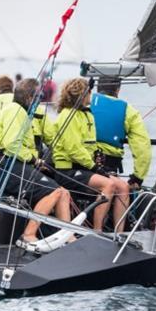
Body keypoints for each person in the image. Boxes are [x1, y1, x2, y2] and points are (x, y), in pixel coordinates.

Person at [0, 78, 71, 250]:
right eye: (38, 97)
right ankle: (28, 236)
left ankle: (68, 236)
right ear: (29, 98)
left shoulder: (20, 111)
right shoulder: (16, 111)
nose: (40, 101)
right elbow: (12, 145)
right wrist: (34, 160)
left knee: (63, 193)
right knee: (54, 191)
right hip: (6, 165)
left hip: (16, 164)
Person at [50, 78, 130, 232]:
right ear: (82, 94)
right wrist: (94, 167)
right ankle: (97, 230)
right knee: (109, 185)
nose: (91, 96)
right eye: (89, 92)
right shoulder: (68, 115)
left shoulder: (87, 115)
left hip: (84, 168)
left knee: (123, 186)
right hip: (68, 170)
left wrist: (97, 157)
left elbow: (88, 145)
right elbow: (74, 150)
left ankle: (119, 233)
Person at [91, 77, 151, 189]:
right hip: (108, 166)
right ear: (118, 89)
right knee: (123, 192)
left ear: (97, 87)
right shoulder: (129, 111)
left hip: (80, 163)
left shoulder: (85, 102)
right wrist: (137, 177)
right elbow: (142, 147)